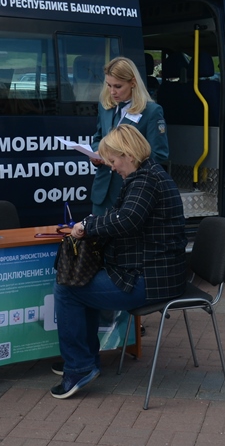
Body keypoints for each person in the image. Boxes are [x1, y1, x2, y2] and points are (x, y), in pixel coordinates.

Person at [51, 124, 187, 398]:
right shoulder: (148, 175)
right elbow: (121, 216)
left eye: (113, 161)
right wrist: (92, 224)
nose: (112, 167)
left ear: (128, 154)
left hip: (151, 280)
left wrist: (87, 227)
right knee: (81, 283)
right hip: (156, 273)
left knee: (68, 289)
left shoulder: (145, 181)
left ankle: (79, 365)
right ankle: (84, 361)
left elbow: (126, 220)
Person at [89, 56, 168, 215]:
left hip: (132, 192)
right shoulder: (106, 106)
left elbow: (159, 155)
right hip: (102, 191)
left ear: (133, 82)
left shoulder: (151, 111)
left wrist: (122, 156)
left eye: (118, 86)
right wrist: (97, 153)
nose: (112, 92)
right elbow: (98, 137)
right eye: (109, 85)